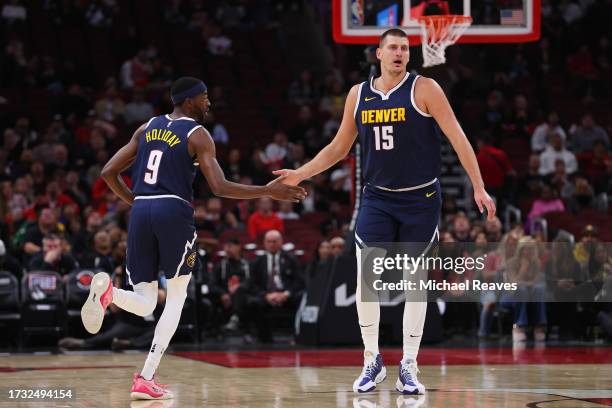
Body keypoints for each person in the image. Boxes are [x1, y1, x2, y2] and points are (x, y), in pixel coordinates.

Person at [273, 29, 495, 395]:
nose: (399, 53)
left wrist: (478, 185)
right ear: (378, 53)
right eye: (392, 47)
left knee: (414, 283)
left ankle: (409, 364)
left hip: (420, 200)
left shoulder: (425, 89)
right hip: (377, 199)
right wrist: (300, 172)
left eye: (405, 49)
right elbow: (337, 147)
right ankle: (372, 360)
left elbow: (457, 136)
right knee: (366, 279)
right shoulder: (358, 94)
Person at [80, 76, 306, 400]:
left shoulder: (146, 128)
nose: (209, 103)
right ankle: (145, 377)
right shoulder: (198, 134)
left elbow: (107, 172)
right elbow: (219, 187)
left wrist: (136, 201)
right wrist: (266, 190)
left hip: (141, 211)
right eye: (204, 98)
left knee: (144, 300)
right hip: (173, 211)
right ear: (189, 102)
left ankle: (108, 295)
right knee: (176, 296)